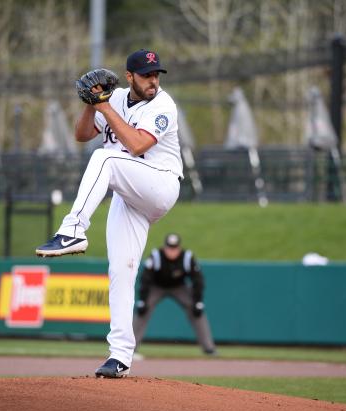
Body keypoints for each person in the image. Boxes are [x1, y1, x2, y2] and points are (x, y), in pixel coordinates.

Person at [35, 49, 182, 378]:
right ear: (130, 77)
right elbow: (81, 134)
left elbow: (138, 146)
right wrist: (90, 103)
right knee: (121, 270)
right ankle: (120, 357)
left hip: (160, 184)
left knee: (105, 157)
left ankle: (73, 229)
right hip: (129, 194)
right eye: (146, 75)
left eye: (156, 74)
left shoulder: (163, 104)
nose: (153, 80)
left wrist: (102, 105)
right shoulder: (113, 99)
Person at [133, 233, 216, 356]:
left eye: (174, 248)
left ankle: (209, 348)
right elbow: (146, 279)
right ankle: (130, 349)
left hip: (179, 287)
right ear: (165, 247)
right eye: (169, 248)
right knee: (143, 310)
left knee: (196, 310)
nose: (172, 251)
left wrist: (198, 301)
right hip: (157, 287)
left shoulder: (187, 257)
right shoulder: (156, 256)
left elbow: (198, 280)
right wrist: (143, 300)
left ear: (179, 248)